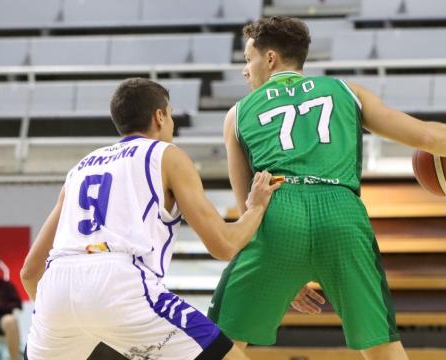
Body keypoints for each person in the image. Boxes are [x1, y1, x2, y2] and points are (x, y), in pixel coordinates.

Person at [207, 16, 446, 360]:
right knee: (382, 345)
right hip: (341, 212)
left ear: (269, 59)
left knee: (218, 344)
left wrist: (282, 270)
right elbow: (426, 136)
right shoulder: (346, 91)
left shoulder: (237, 114)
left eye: (247, 60)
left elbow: (248, 207)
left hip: (276, 215)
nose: (244, 70)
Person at [20, 78, 280, 360]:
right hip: (119, 283)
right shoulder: (166, 155)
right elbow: (224, 245)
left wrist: (71, 315)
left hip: (56, 289)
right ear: (159, 116)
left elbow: (30, 271)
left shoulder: (80, 169)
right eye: (170, 116)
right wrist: (254, 208)